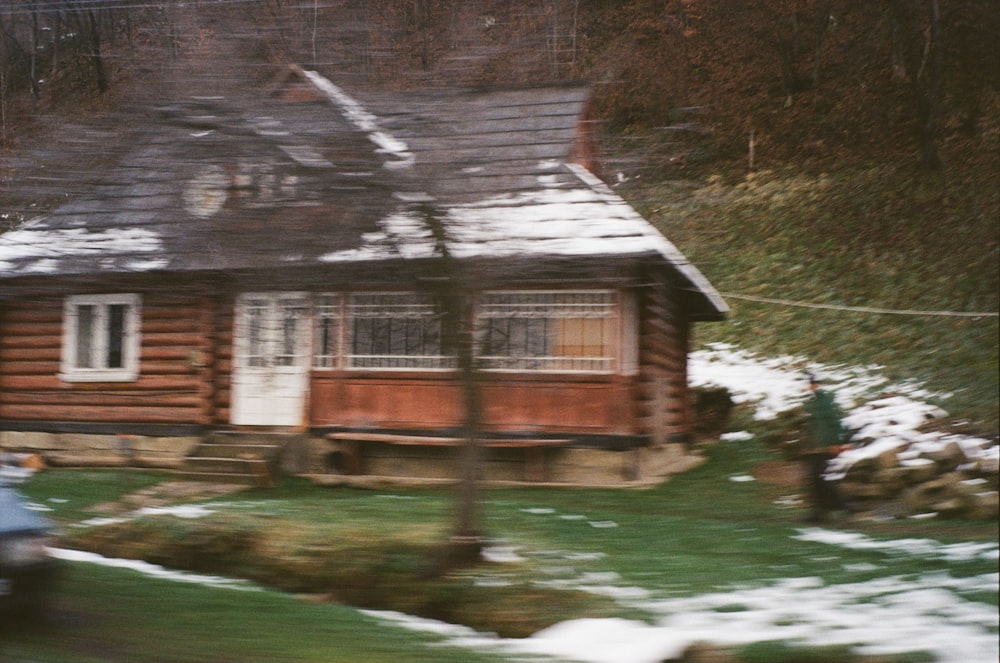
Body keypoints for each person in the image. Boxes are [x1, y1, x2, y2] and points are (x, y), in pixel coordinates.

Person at [801, 374, 850, 523]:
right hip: (816, 447)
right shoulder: (814, 401)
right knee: (815, 480)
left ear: (814, 385)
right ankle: (820, 512)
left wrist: (835, 443)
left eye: (811, 384)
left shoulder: (825, 401)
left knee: (823, 480)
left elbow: (834, 423)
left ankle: (840, 510)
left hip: (825, 447)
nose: (810, 387)